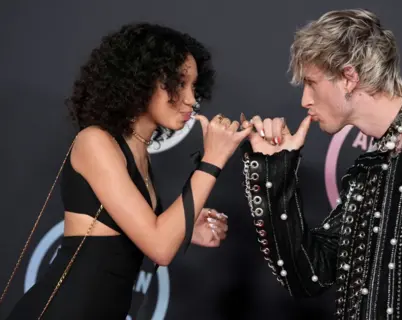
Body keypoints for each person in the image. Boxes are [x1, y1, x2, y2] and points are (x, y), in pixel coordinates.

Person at [240, 8, 402, 319]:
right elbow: (310, 276)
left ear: (349, 78)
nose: (305, 100)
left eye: (311, 83)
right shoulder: (368, 171)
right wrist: (275, 171)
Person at [1, 23, 252, 319]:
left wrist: (184, 226)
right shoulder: (96, 141)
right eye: (177, 84)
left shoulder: (138, 152)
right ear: (140, 81)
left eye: (193, 86)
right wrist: (213, 160)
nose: (190, 99)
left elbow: (144, 234)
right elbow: (159, 246)